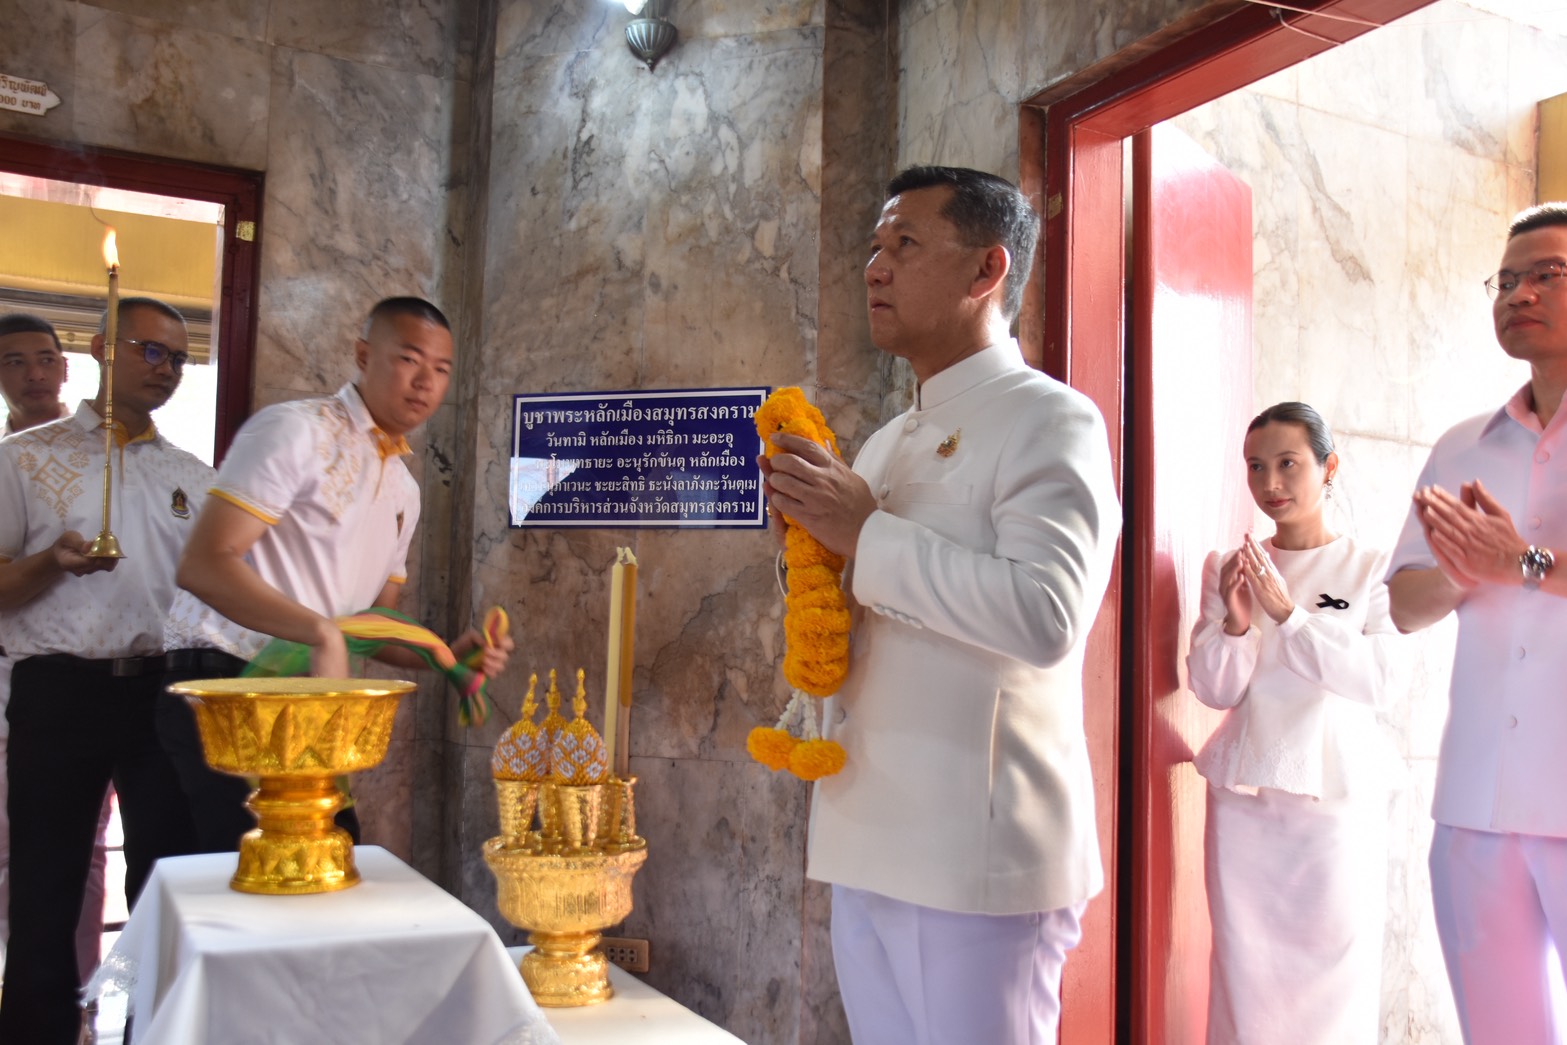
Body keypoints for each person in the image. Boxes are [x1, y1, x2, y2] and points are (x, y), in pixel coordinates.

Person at [761, 166, 1121, 1044]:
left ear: (986, 269)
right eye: (874, 246)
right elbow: (872, 605)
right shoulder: (886, 441)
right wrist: (808, 553)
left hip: (974, 852)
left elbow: (1045, 614)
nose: (874, 267)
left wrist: (864, 533)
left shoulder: (1050, 419)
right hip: (866, 834)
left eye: (905, 243)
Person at [161, 296, 511, 854]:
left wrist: (442, 653)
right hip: (229, 682)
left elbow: (366, 624)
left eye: (442, 369)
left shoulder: (404, 488)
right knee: (251, 873)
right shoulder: (295, 430)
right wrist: (319, 631)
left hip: (311, 699)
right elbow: (204, 565)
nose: (425, 382)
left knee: (332, 855)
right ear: (364, 355)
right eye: (409, 359)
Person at [0, 298, 209, 1044]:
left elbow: (216, 590)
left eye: (178, 358)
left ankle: (151, 1030)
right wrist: (50, 563)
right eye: (151, 351)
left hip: (163, 691)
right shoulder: (25, 457)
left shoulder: (192, 474)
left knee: (165, 881)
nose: (166, 369)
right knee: (46, 886)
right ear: (101, 348)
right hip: (60, 688)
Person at [1386, 201, 1567, 1042]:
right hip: (1475, 805)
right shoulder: (1463, 445)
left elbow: (1519, 565)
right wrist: (1461, 571)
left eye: (1546, 274)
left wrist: (1522, 562)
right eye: (1504, 280)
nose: (1517, 294)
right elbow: (1401, 604)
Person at [1186, 402, 1398, 1044]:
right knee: (1244, 973)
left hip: (1336, 805)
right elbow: (1215, 690)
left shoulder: (1371, 567)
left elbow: (1378, 681)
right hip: (1245, 805)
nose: (1270, 483)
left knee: (1336, 974)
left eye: (1287, 464)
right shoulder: (1229, 565)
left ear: (1328, 467)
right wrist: (1237, 622)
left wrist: (1289, 615)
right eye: (1256, 467)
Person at [0, 313, 116, 994]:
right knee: (15, 848)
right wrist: (51, 561)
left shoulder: (102, 457)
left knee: (87, 849)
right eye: (14, 362)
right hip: (17, 671)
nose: (34, 374)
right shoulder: (7, 460)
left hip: (99, 680)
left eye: (45, 358)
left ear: (67, 368)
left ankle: (77, 1000)